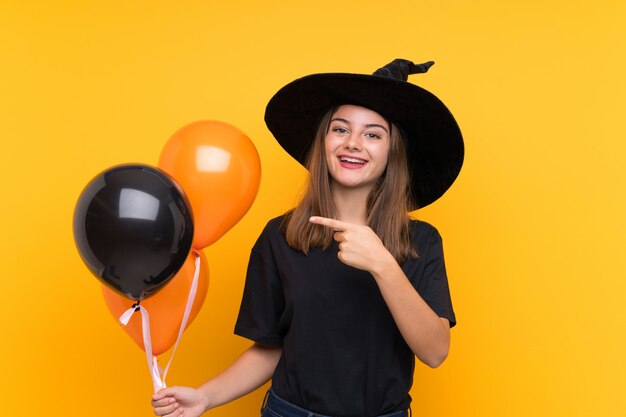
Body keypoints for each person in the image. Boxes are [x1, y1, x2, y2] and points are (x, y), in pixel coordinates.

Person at [151, 58, 464, 417]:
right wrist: (205, 397)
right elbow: (271, 349)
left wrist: (382, 265)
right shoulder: (280, 237)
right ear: (323, 141)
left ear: (392, 153)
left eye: (373, 134)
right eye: (340, 129)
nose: (353, 144)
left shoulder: (421, 241)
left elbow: (435, 352)